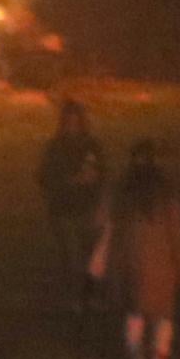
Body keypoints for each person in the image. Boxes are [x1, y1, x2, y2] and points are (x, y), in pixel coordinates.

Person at [107, 140, 180, 359]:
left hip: (135, 258)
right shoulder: (164, 193)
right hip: (159, 260)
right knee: (161, 313)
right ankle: (157, 356)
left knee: (136, 311)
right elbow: (176, 232)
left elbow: (114, 230)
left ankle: (138, 358)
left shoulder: (124, 192)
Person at [38, 97, 109, 308]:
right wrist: (68, 180)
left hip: (87, 206)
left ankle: (89, 295)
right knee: (70, 256)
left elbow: (103, 174)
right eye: (68, 120)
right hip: (63, 209)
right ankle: (74, 297)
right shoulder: (55, 147)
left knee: (90, 256)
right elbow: (43, 176)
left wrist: (99, 198)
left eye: (75, 120)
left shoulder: (91, 145)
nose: (71, 125)